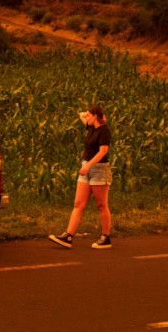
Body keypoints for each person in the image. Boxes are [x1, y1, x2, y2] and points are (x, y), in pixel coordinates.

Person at [48, 105, 113, 249]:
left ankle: (106, 237)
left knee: (101, 205)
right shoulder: (90, 127)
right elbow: (80, 114)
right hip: (86, 168)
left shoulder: (104, 130)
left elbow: (103, 152)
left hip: (99, 170)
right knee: (78, 203)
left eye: (89, 115)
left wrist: (88, 166)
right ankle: (68, 236)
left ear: (95, 116)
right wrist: (94, 115)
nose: (86, 117)